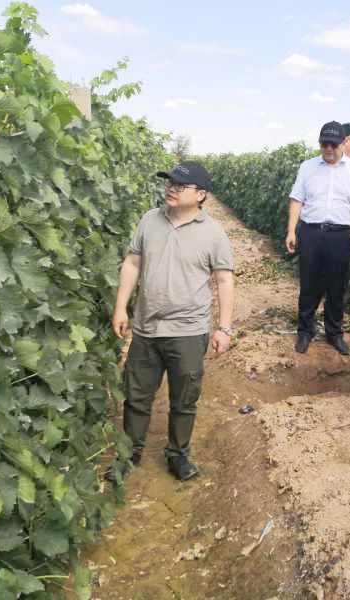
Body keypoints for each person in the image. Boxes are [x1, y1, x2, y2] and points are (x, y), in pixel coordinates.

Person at [111, 161, 235, 481]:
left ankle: (178, 455)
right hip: (147, 328)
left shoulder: (213, 233)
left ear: (201, 194)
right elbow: (133, 263)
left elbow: (224, 280)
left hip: (188, 332)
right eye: (170, 183)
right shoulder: (149, 220)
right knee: (137, 396)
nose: (172, 189)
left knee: (184, 399)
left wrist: (224, 328)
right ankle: (129, 454)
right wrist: (121, 307)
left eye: (180, 186)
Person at [285, 121, 350, 355]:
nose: (329, 149)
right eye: (325, 145)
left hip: (341, 235)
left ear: (343, 143)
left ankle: (334, 333)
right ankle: (305, 331)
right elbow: (297, 199)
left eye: (334, 144)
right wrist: (291, 230)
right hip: (311, 232)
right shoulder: (307, 167)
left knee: (337, 286)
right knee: (309, 284)